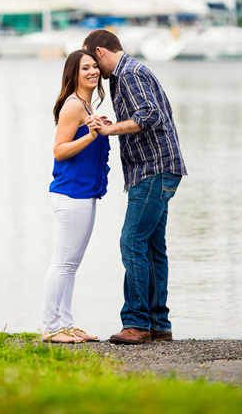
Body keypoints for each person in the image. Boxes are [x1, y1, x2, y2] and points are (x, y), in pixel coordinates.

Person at [82, 29, 187, 345]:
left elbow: (149, 115)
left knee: (131, 240)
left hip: (154, 170)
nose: (94, 71)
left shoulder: (128, 73)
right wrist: (110, 124)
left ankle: (137, 323)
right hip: (161, 168)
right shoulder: (129, 72)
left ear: (101, 52)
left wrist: (110, 130)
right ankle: (158, 324)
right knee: (153, 246)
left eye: (92, 62)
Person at [42, 49, 111, 344]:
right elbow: (59, 150)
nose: (93, 71)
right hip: (71, 194)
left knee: (71, 264)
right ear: (74, 73)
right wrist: (90, 135)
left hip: (83, 194)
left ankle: (66, 324)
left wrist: (97, 126)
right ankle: (49, 327)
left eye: (95, 66)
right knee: (62, 263)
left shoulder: (85, 105)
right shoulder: (73, 105)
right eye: (86, 68)